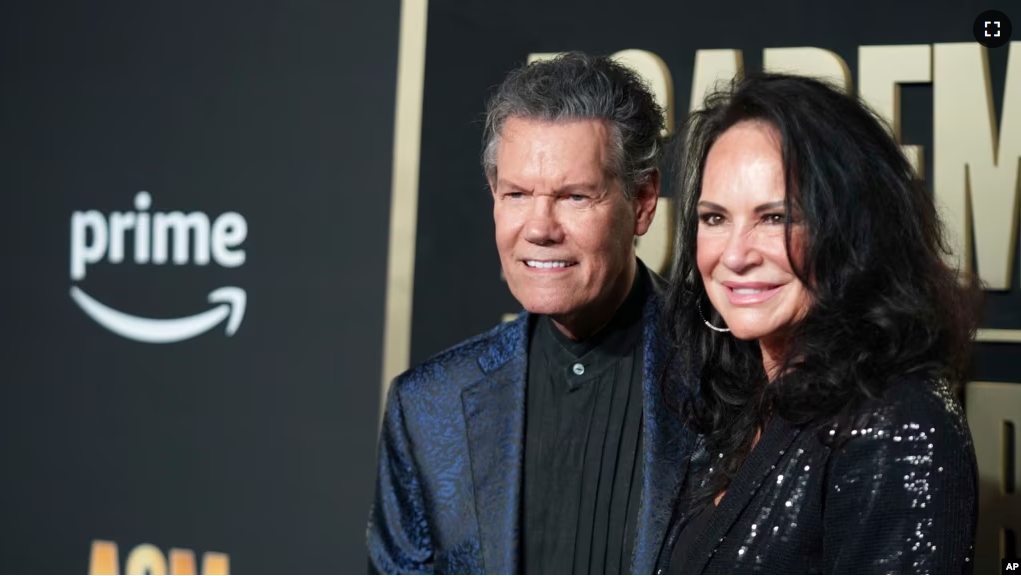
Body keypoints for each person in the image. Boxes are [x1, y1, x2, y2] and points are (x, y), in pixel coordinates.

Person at [367, 52, 696, 574]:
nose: (540, 227)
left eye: (575, 196)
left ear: (643, 200)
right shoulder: (429, 406)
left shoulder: (733, 377)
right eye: (517, 194)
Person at [656, 72, 981, 574]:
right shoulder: (743, 405)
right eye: (715, 218)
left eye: (776, 217)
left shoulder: (896, 424)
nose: (735, 255)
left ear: (853, 230)